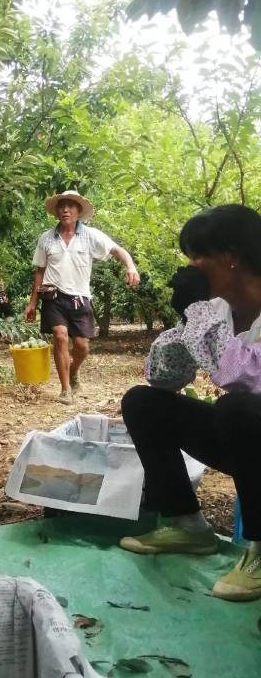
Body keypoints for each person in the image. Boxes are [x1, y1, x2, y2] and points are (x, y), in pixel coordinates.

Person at [118, 205, 261, 606]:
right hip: (248, 440)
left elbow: (247, 377)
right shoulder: (215, 310)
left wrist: (198, 315)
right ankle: (187, 525)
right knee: (143, 404)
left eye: (199, 257)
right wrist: (186, 321)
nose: (192, 267)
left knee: (237, 407)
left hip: (252, 424)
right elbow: (164, 378)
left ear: (232, 256)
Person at [25, 189, 140, 402]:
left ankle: (74, 370)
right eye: (62, 206)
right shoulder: (46, 239)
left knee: (81, 346)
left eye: (70, 206)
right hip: (53, 296)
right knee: (59, 336)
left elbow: (117, 250)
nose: (65, 209)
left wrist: (130, 266)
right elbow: (40, 270)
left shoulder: (91, 235)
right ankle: (65, 390)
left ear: (79, 211)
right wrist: (32, 302)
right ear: (57, 211)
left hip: (80, 298)